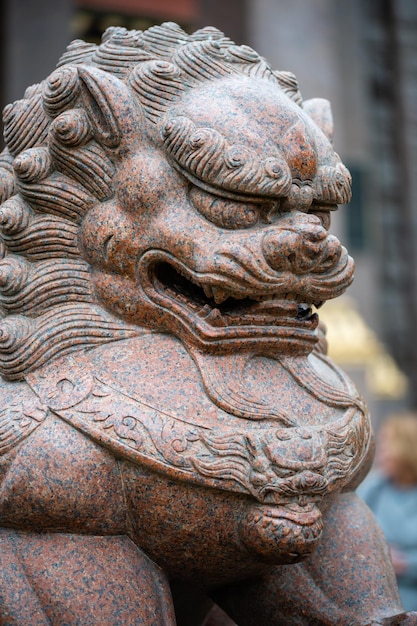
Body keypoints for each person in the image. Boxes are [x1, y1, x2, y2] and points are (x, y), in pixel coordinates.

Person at [358, 413, 417, 610]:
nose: (380, 454)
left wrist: (407, 564)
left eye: (387, 445)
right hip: (377, 597)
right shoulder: (373, 489)